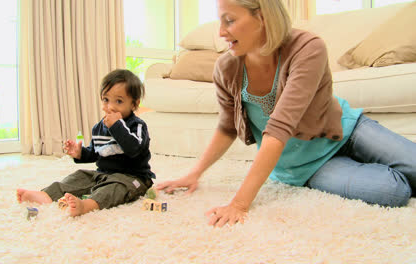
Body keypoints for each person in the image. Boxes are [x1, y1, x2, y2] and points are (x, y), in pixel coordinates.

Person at [157, 0, 416, 227]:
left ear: (261, 16)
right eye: (220, 22)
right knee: (393, 191)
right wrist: (195, 173)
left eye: (230, 20)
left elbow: (279, 128)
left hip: (347, 130)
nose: (222, 32)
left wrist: (239, 203)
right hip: (306, 166)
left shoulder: (307, 48)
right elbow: (227, 127)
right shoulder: (226, 68)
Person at [17, 69, 155, 216]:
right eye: (106, 100)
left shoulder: (137, 126)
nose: (111, 106)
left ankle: (87, 205)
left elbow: (134, 149)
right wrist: (80, 153)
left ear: (134, 104)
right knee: (80, 176)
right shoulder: (99, 127)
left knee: (115, 188)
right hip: (103, 174)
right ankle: (47, 195)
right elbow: (96, 153)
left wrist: (117, 126)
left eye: (119, 101)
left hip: (132, 178)